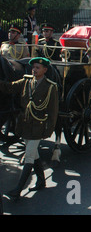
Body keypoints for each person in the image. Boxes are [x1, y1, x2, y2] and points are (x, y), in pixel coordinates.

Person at [0, 57, 58, 200]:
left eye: (38, 68)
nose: (35, 70)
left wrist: (48, 130)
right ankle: (41, 180)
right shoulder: (26, 81)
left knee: (29, 157)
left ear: (45, 70)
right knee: (35, 155)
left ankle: (17, 189)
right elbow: (10, 87)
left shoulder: (51, 87)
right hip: (25, 124)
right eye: (34, 68)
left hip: (38, 126)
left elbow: (53, 112)